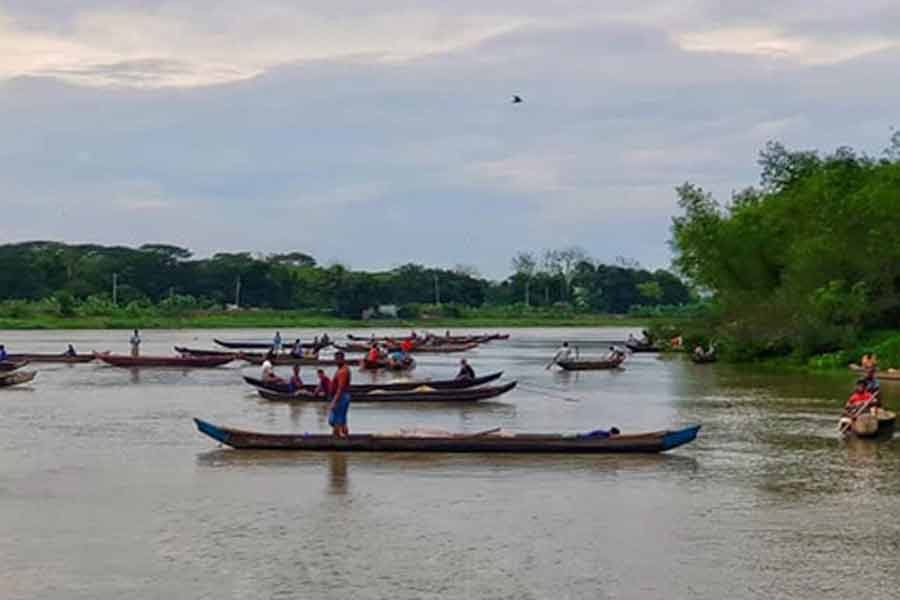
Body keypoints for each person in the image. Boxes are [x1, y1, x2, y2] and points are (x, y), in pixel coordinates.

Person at [329, 352, 352, 437]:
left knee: (335, 421)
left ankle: (337, 439)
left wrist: (335, 401)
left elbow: (340, 388)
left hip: (341, 396)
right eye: (336, 359)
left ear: (343, 359)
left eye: (338, 359)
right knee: (341, 420)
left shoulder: (343, 371)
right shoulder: (341, 369)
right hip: (342, 396)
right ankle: (345, 438)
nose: (336, 361)